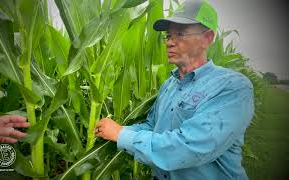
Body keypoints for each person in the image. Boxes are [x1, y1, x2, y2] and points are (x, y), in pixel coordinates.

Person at [95, 0, 254, 179]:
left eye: (180, 34)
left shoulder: (232, 87)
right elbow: (152, 126)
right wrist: (118, 129)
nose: (170, 42)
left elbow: (189, 147)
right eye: (168, 36)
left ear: (207, 38)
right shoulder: (169, 85)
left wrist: (121, 134)